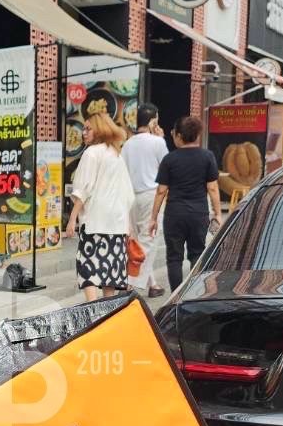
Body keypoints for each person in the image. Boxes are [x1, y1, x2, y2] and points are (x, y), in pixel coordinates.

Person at [64, 110, 134, 302]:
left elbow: (83, 189)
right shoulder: (116, 154)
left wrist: (72, 218)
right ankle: (107, 310)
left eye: (88, 129)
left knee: (87, 268)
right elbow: (127, 193)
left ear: (99, 130)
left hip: (95, 222)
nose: (83, 132)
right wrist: (127, 223)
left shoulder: (91, 153)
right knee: (109, 271)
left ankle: (93, 307)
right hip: (116, 224)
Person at [149, 114, 222, 292]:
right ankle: (194, 293)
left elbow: (161, 191)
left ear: (179, 136)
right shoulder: (207, 156)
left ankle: (176, 295)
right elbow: (212, 188)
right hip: (199, 214)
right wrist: (218, 213)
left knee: (174, 258)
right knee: (197, 254)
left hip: (174, 214)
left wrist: (153, 218)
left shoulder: (169, 159)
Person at [120, 102, 167, 296]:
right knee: (148, 242)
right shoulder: (157, 142)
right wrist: (161, 138)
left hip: (131, 196)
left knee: (138, 241)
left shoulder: (127, 144)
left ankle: (153, 285)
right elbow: (167, 169)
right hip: (151, 195)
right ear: (153, 121)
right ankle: (131, 284)